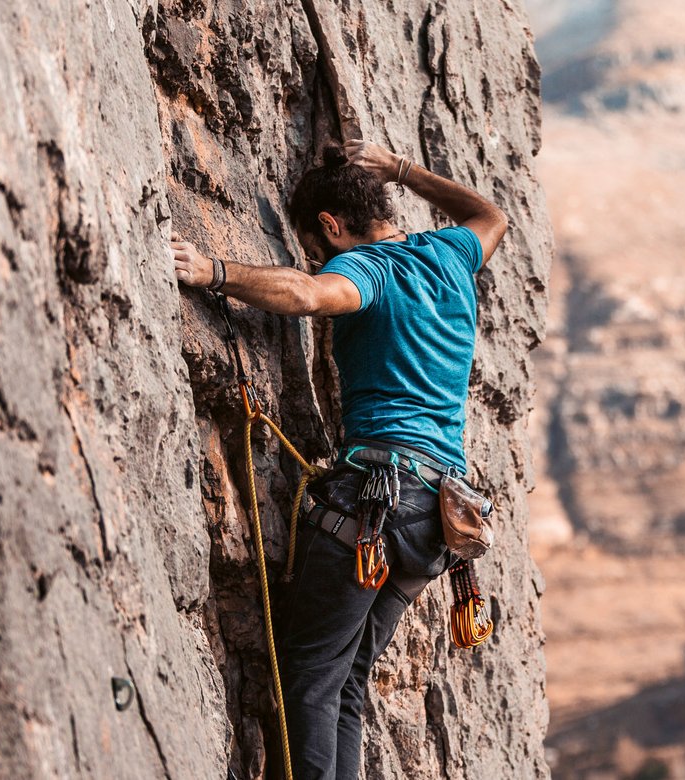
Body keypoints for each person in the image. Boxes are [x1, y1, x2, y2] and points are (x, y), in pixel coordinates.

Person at [169, 139, 507, 779]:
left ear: (330, 226)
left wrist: (213, 270)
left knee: (310, 676)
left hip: (379, 501)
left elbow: (305, 294)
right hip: (436, 519)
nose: (319, 262)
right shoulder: (449, 255)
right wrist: (402, 169)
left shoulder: (369, 271)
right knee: (345, 681)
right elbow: (491, 216)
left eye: (316, 249)